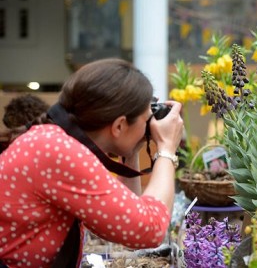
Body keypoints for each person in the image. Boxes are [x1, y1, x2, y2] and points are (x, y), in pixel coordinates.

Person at [0, 58, 184, 267]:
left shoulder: (52, 141)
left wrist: (131, 153)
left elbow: (125, 224)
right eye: (146, 119)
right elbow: (149, 230)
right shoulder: (60, 153)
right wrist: (167, 149)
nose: (149, 125)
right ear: (119, 126)